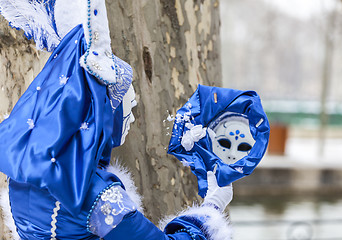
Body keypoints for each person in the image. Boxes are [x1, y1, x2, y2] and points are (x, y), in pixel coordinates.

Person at [0, 0, 232, 239]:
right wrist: (212, 207)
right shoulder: (96, 196)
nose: (130, 119)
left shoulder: (23, 173)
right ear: (100, 114)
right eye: (125, 107)